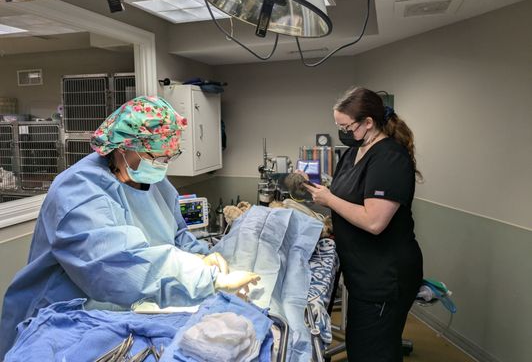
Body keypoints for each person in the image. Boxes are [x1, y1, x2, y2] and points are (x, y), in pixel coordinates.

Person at [0, 96, 259, 358]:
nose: (161, 164)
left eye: (169, 156)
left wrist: (201, 257)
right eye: (154, 156)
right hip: (61, 322)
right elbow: (117, 264)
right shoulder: (78, 191)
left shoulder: (155, 184)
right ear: (122, 146)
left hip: (120, 311)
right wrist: (209, 280)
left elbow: (175, 235)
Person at [302, 87, 423, 361]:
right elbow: (347, 198)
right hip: (362, 272)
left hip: (385, 276)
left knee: (374, 351)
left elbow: (374, 221)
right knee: (360, 344)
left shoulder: (389, 158)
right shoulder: (352, 153)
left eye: (347, 126)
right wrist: (316, 190)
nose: (343, 132)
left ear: (369, 122)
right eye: (338, 126)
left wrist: (329, 200)